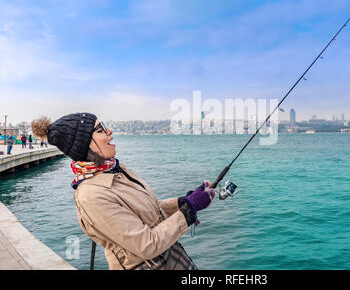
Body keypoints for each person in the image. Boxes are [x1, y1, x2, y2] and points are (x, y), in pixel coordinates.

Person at [31, 113, 215, 270]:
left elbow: (151, 211)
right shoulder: (91, 195)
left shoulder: (116, 171)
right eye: (100, 130)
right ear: (85, 143)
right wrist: (189, 210)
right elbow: (147, 244)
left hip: (171, 257)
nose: (109, 131)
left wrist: (183, 202)